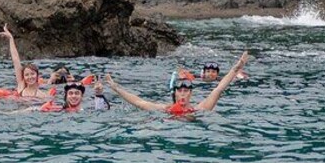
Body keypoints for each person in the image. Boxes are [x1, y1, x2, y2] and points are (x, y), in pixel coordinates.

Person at [106, 51, 249, 116]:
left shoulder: (199, 109)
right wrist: (116, 88)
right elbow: (139, 102)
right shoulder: (165, 109)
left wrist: (235, 69)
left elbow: (218, 89)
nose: (182, 94)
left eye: (186, 91)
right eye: (180, 91)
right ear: (175, 93)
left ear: (190, 94)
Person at [0, 24, 51, 98]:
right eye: (26, 75)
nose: (30, 77)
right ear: (23, 77)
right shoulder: (21, 86)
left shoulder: (42, 96)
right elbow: (16, 59)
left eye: (32, 74)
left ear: (37, 75)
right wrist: (11, 38)